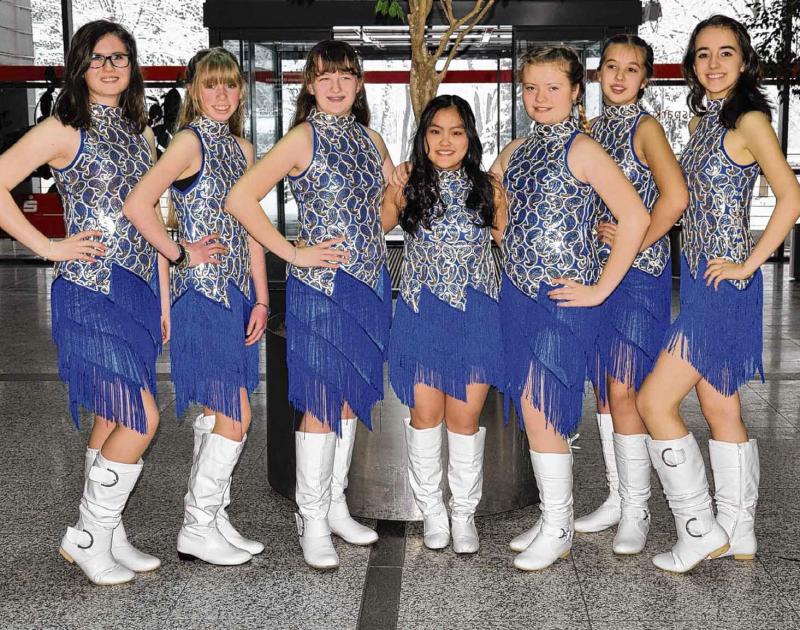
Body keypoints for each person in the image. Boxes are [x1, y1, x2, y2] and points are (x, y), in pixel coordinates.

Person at [0, 20, 216, 585]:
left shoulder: (140, 130)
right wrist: (50, 246)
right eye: (97, 58)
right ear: (79, 65)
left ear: (132, 65)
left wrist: (164, 298)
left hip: (139, 293)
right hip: (89, 290)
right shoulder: (62, 128)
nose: (110, 66)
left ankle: (107, 532)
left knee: (112, 415)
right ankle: (88, 535)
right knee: (141, 418)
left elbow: (153, 220)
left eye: (119, 57)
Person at [636, 15, 800, 574]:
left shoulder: (750, 119)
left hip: (723, 287)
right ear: (691, 64)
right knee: (719, 406)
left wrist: (749, 263)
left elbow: (790, 197)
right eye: (703, 54)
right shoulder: (704, 121)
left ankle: (698, 530)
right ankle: (739, 530)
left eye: (725, 52)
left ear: (745, 61)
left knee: (654, 402)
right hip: (703, 283)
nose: (713, 63)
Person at [225, 40, 395, 569]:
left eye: (345, 75)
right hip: (320, 288)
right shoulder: (302, 137)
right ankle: (311, 517)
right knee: (322, 402)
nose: (336, 86)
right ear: (310, 85)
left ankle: (335, 504)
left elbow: (384, 216)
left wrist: (402, 191)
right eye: (325, 77)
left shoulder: (372, 138)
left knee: (347, 398)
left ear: (359, 83)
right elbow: (239, 199)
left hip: (369, 285)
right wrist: (293, 253)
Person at [124, 47, 295, 565]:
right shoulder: (187, 142)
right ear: (194, 92)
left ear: (241, 92)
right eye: (210, 85)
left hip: (238, 296)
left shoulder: (242, 148)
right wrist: (180, 252)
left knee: (221, 411)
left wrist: (262, 297)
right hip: (201, 295)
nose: (221, 94)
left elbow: (251, 228)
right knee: (236, 413)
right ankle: (196, 527)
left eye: (230, 85)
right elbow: (138, 205)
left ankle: (213, 518)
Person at [490, 46, 650, 571]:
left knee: (543, 405)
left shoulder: (583, 149)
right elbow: (493, 206)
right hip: (518, 295)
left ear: (576, 91)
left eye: (553, 87)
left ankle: (559, 529)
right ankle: (552, 518)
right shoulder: (516, 150)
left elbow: (635, 218)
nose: (540, 97)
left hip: (565, 297)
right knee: (533, 407)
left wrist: (600, 289)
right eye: (531, 88)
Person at [551, 35, 688, 556]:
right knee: (607, 392)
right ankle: (617, 496)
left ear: (646, 78)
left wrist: (638, 241)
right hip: (599, 276)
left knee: (625, 389)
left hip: (638, 278)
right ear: (597, 73)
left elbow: (676, 196)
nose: (619, 77)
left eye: (632, 69)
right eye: (611, 66)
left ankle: (637, 510)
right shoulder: (592, 128)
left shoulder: (646, 127)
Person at [382, 95, 507, 554]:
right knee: (425, 416)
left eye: (456, 132)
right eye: (436, 131)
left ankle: (463, 514)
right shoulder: (407, 186)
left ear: (470, 137)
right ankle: (433, 511)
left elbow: (512, 243)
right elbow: (371, 229)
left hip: (477, 315)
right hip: (421, 314)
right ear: (423, 137)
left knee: (464, 418)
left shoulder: (489, 188)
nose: (446, 141)